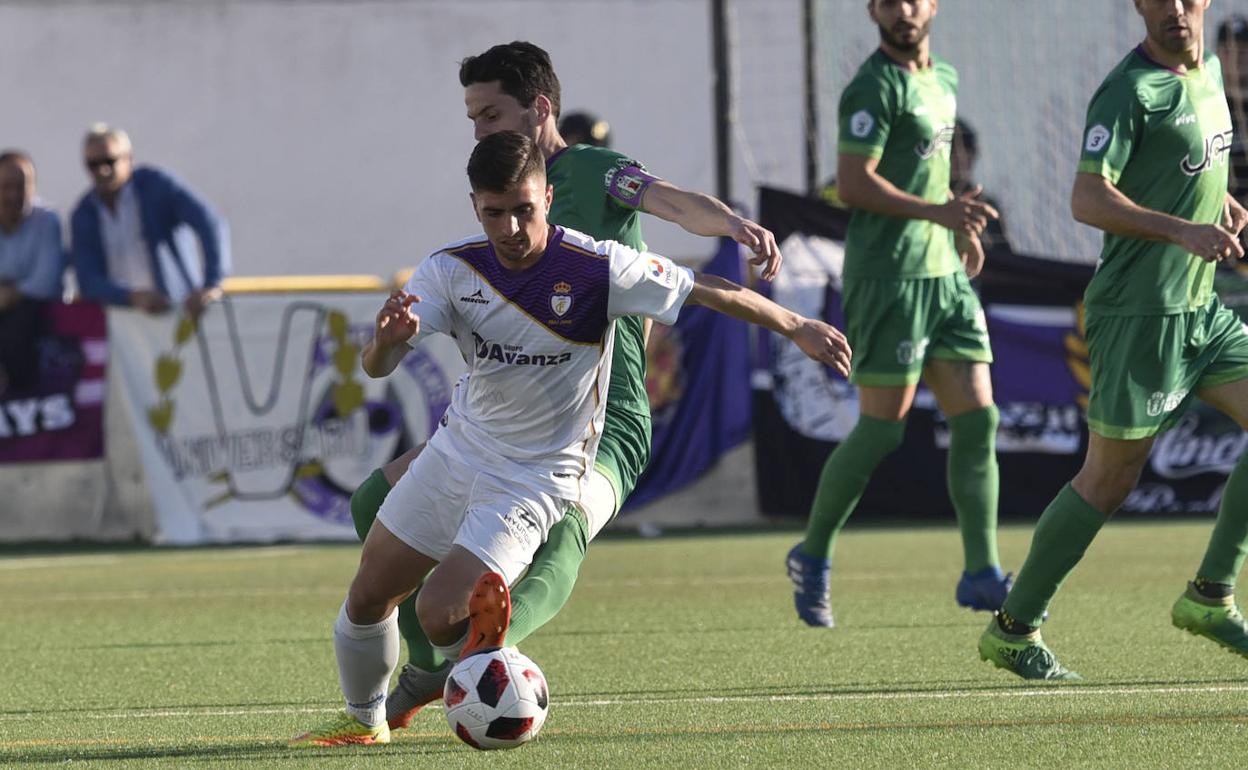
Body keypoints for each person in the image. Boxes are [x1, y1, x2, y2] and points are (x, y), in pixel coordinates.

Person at [291, 130, 850, 746]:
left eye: (523, 210)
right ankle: (365, 720)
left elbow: (704, 290)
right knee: (369, 596)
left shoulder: (597, 267)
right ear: (475, 206)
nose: (510, 227)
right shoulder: (450, 270)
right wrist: (386, 343)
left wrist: (796, 324)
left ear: (548, 198)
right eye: (494, 212)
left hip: (534, 477)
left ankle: (489, 675)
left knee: (437, 610)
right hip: (455, 454)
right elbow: (376, 367)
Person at [979, 0, 1248, 681]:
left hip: (1200, 310)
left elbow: (1186, 167)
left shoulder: (1210, 69)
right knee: (1109, 479)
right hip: (1139, 315)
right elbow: (1087, 199)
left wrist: (1216, 206)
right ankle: (1015, 628)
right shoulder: (1129, 91)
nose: (1174, 11)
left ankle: (1210, 595)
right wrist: (1182, 230)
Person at [786, 0, 1007, 629]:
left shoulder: (946, 79)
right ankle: (814, 553)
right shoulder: (872, 85)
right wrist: (938, 214)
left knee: (979, 420)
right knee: (883, 429)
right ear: (873, 12)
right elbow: (853, 184)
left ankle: (982, 573)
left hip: (945, 277)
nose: (903, 10)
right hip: (890, 279)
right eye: (889, 1)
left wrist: (958, 223)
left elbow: (931, 178)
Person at [70, 124, 229, 319]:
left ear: (129, 159)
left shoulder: (156, 186)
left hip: (178, 311)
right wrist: (132, 297)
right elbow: (88, 280)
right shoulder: (84, 213)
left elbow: (210, 222)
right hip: (123, 326)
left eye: (109, 161)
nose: (102, 170)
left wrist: (212, 284)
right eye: (93, 164)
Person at [0, 151, 64, 394]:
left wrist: (7, 296)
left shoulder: (47, 221)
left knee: (20, 324)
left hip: (35, 315)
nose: (13, 195)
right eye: (5, 187)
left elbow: (45, 283)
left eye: (21, 186)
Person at [950, 119, 1014, 252]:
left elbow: (1004, 255)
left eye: (967, 149)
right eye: (952, 150)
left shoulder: (986, 206)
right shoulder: (929, 202)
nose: (960, 157)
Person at [1216, 14, 1248, 202]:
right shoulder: (1207, 105)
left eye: (1243, 49)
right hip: (1219, 220)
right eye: (1229, 49)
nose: (1236, 57)